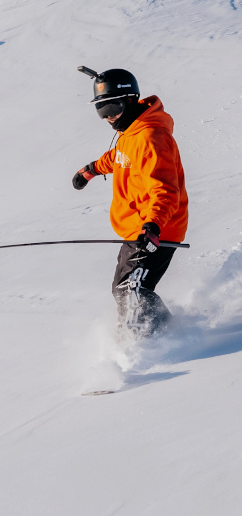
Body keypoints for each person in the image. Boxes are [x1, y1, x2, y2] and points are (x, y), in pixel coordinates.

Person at [71, 68, 189, 337]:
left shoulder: (151, 138)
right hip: (136, 229)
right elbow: (118, 157)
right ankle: (153, 332)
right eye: (101, 110)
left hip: (158, 229)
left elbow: (165, 190)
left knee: (132, 290)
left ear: (130, 100)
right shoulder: (131, 132)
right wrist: (91, 169)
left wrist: (153, 226)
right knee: (122, 288)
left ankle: (149, 340)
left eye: (112, 106)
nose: (109, 116)